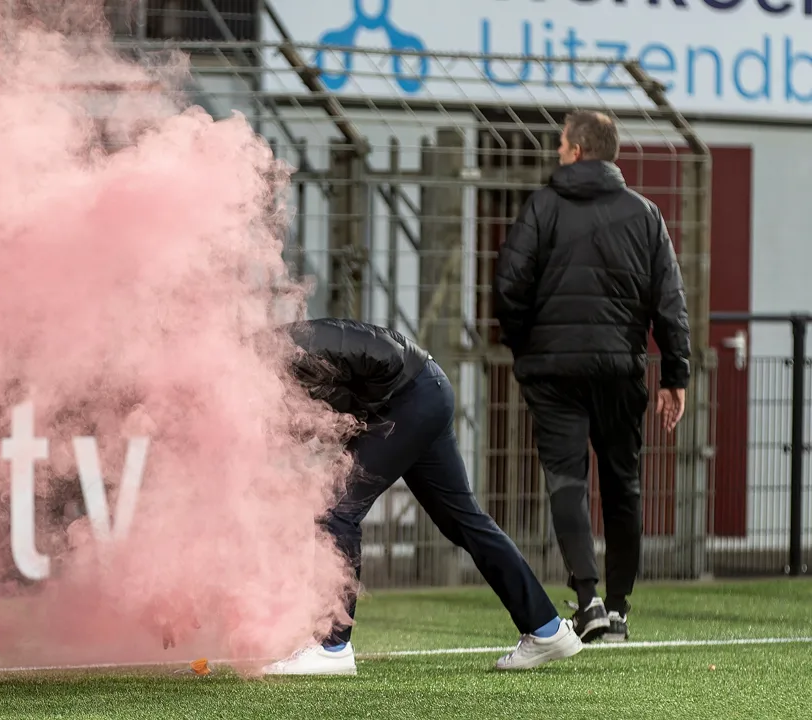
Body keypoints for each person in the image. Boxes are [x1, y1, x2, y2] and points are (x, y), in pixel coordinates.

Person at [260, 317, 583, 676]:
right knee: (463, 521)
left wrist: (370, 423)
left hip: (409, 397)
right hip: (421, 392)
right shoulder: (276, 364)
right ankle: (547, 628)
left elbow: (377, 357)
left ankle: (332, 646)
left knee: (335, 509)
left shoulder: (293, 349)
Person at [492, 109, 691, 644]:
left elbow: (508, 285)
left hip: (554, 371)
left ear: (577, 150)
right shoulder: (645, 214)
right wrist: (675, 375)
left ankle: (589, 600)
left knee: (567, 479)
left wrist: (526, 346)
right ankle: (620, 609)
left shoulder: (543, 206)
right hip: (621, 368)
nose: (557, 152)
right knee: (623, 483)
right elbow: (669, 302)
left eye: (561, 144)